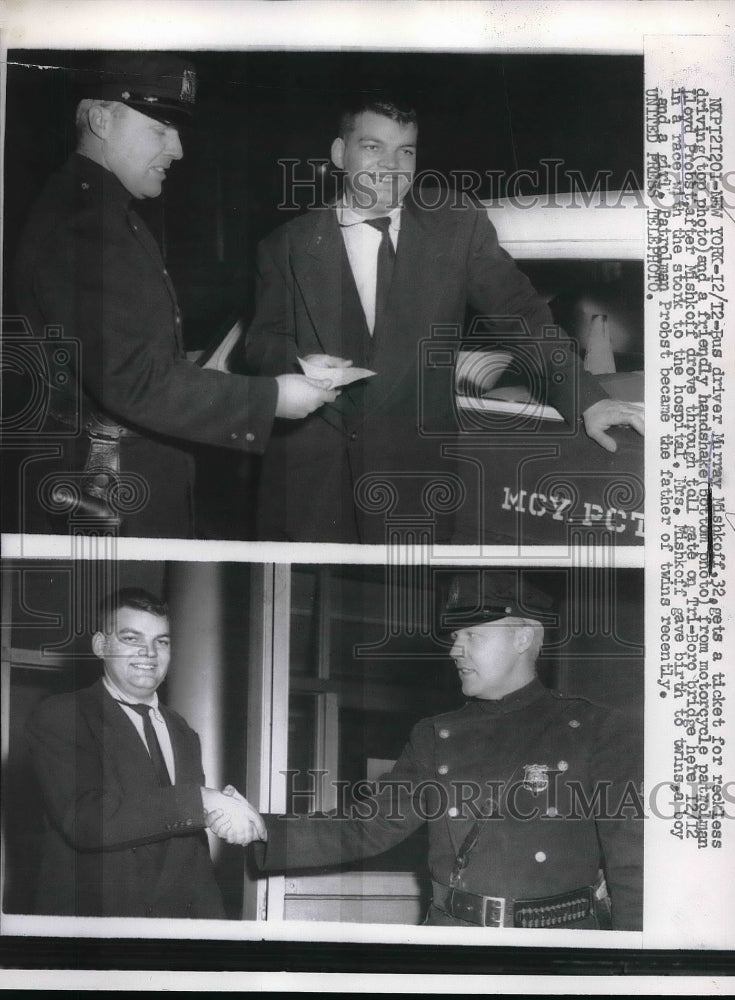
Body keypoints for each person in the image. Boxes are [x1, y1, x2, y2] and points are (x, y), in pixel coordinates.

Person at [243, 94, 645, 543]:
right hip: (309, 487)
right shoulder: (287, 245)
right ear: (340, 154)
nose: (392, 166)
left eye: (407, 151)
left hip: (413, 482)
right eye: (373, 147)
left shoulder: (456, 223)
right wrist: (301, 364)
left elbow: (520, 315)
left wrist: (587, 399)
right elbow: (261, 342)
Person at [12, 52, 336, 538]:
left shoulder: (100, 209)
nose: (178, 149)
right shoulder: (84, 225)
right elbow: (132, 383)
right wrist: (269, 399)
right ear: (101, 120)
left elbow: (110, 355)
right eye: (160, 130)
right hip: (106, 491)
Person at [212, 571, 644, 930]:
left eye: (472, 635)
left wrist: (634, 965)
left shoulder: (595, 729)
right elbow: (368, 825)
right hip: (453, 938)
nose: (455, 649)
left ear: (523, 639)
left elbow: (632, 868)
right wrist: (266, 828)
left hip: (557, 949)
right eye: (456, 636)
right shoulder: (436, 735)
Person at [25, 587, 262, 918]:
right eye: (132, 638)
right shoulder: (63, 715)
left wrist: (217, 817)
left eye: (161, 641)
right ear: (100, 646)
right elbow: (87, 821)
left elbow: (192, 853)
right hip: (94, 941)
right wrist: (201, 800)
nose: (149, 652)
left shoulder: (184, 732)